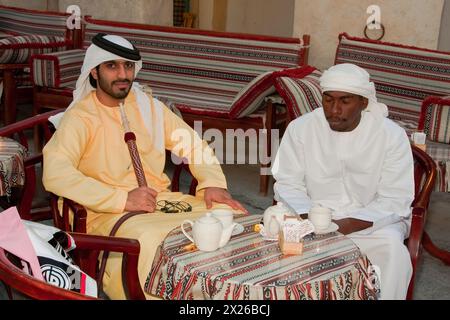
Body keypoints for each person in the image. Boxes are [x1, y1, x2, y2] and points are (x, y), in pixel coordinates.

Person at [42, 33, 247, 299]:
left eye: (128, 66)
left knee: (231, 216)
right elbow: (56, 173)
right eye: (112, 66)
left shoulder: (150, 107)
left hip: (161, 200)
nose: (122, 74)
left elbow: (194, 144)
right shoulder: (80, 117)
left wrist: (213, 183)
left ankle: (219, 294)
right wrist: (121, 199)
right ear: (94, 71)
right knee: (152, 240)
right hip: (104, 210)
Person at [272, 63, 414, 300]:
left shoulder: (391, 136)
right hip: (310, 220)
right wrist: (312, 218)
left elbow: (395, 198)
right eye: (328, 100)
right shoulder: (301, 128)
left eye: (345, 101)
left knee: (392, 253)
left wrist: (348, 224)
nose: (334, 109)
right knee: (272, 238)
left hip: (371, 225)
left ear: (364, 103)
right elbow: (287, 183)